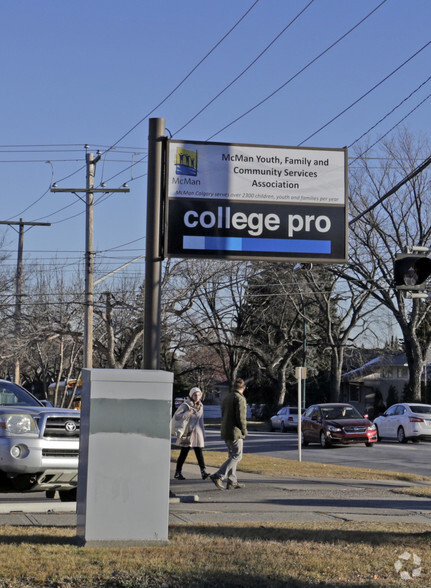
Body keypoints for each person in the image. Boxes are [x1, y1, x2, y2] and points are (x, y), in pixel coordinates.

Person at [210, 377, 248, 490]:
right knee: (237, 455)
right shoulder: (240, 399)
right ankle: (219, 475)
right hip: (235, 432)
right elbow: (241, 418)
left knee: (232, 456)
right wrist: (244, 430)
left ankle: (232, 480)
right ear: (243, 388)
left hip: (225, 430)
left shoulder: (227, 397)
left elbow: (223, 413)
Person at [173, 387, 210, 481]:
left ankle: (203, 472)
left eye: (198, 395)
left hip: (197, 433)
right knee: (184, 453)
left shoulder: (201, 406)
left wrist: (203, 433)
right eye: (195, 395)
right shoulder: (185, 405)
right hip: (187, 433)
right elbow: (177, 416)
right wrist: (188, 413)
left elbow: (201, 420)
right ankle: (178, 472)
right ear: (191, 395)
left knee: (199, 452)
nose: (197, 397)